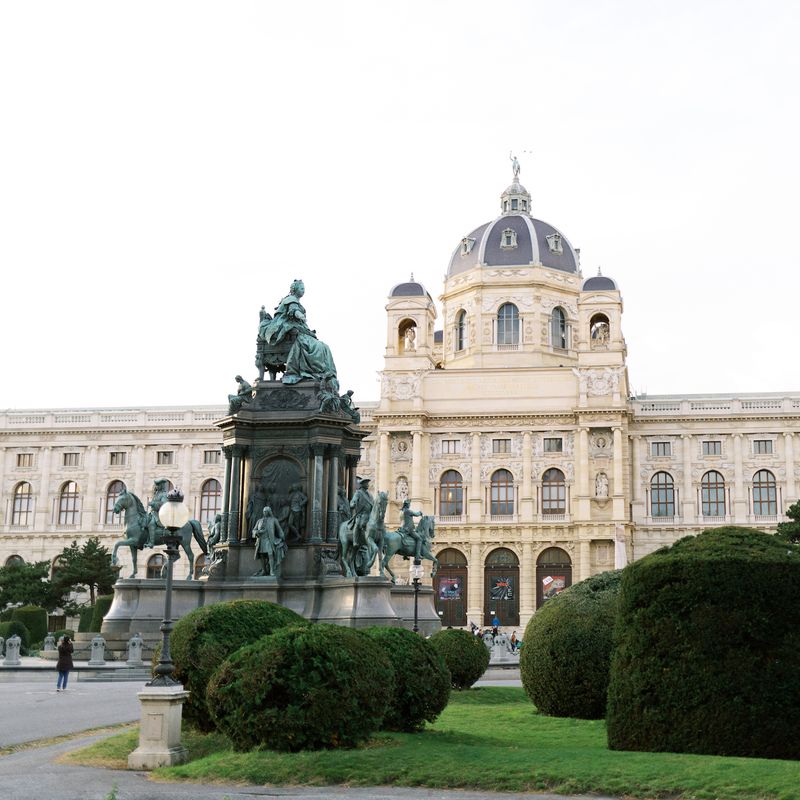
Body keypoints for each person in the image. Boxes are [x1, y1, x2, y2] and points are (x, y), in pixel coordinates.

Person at [261, 279, 338, 385]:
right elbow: (293, 311)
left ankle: (321, 372)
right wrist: (300, 316)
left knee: (323, 346)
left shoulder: (293, 300)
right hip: (289, 332)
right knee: (318, 346)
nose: (303, 290)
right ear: (295, 289)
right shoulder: (291, 299)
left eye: (304, 288)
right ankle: (316, 371)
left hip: (296, 329)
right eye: (301, 288)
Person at [253, 506, 288, 578]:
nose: (264, 513)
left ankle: (271, 570)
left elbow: (279, 529)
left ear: (269, 512)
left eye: (266, 511)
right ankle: (263, 570)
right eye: (264, 511)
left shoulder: (274, 520)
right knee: (262, 555)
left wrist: (282, 537)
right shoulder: (259, 521)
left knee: (270, 554)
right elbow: (254, 530)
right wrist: (256, 532)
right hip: (261, 540)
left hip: (269, 540)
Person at [348, 477, 374, 550]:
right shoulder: (358, 493)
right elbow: (353, 501)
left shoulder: (370, 494)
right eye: (366, 483)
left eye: (368, 483)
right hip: (361, 514)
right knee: (358, 524)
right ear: (362, 485)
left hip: (370, 514)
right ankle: (355, 541)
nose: (368, 485)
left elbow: (373, 503)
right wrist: (352, 504)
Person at [145, 478, 170, 548]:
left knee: (151, 523)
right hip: (153, 513)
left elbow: (164, 504)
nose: (156, 486)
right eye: (156, 485)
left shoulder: (164, 494)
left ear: (161, 486)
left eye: (158, 485)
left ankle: (151, 542)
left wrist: (153, 503)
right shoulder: (156, 494)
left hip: (160, 515)